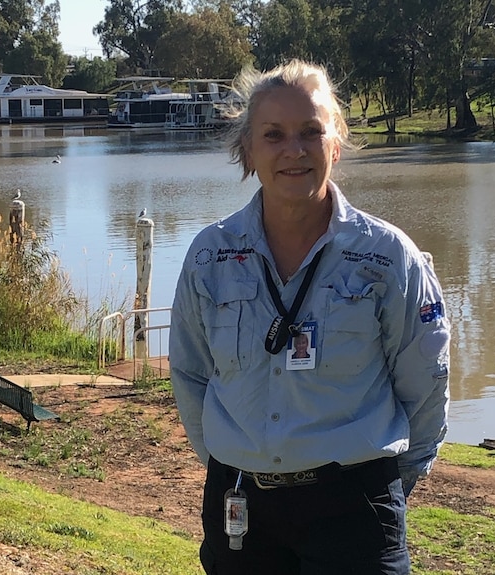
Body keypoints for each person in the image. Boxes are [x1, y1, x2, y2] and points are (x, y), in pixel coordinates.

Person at [169, 59, 450, 575]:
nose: (293, 150)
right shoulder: (210, 255)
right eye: (273, 135)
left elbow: (425, 386)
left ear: (335, 144)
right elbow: (190, 374)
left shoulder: (387, 258)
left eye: (310, 132)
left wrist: (387, 482)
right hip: (241, 510)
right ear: (248, 151)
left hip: (354, 509)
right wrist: (229, 460)